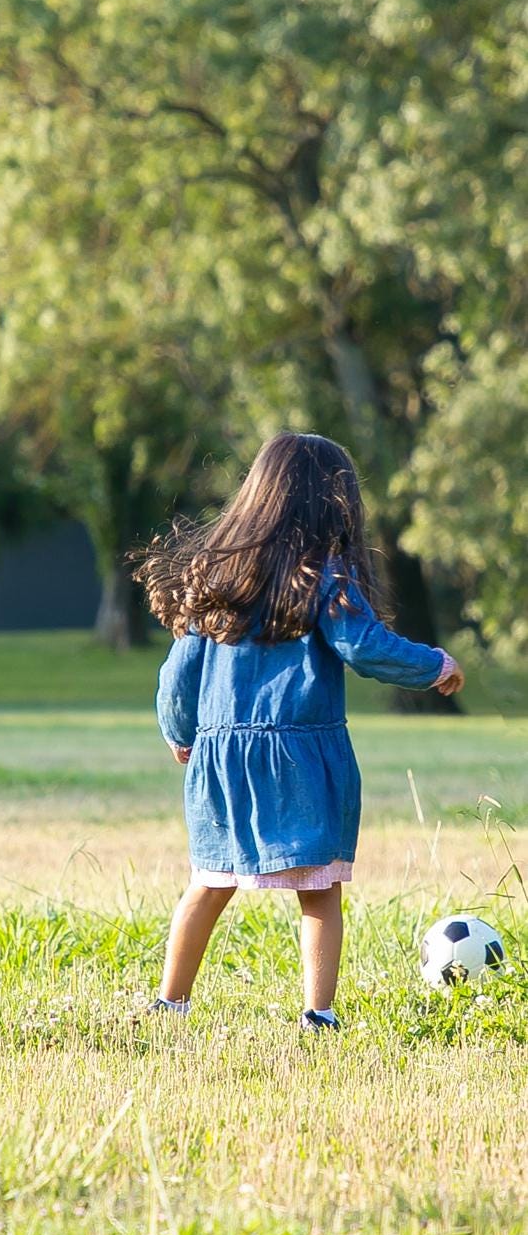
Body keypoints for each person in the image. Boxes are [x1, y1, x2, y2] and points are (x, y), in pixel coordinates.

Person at [131, 432, 463, 1032]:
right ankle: (318, 1013)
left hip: (222, 761)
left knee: (208, 883)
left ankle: (170, 1002)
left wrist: (181, 733)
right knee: (320, 888)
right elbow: (364, 647)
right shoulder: (326, 579)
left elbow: (178, 672)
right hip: (302, 759)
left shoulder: (217, 577)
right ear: (333, 505)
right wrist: (434, 665)